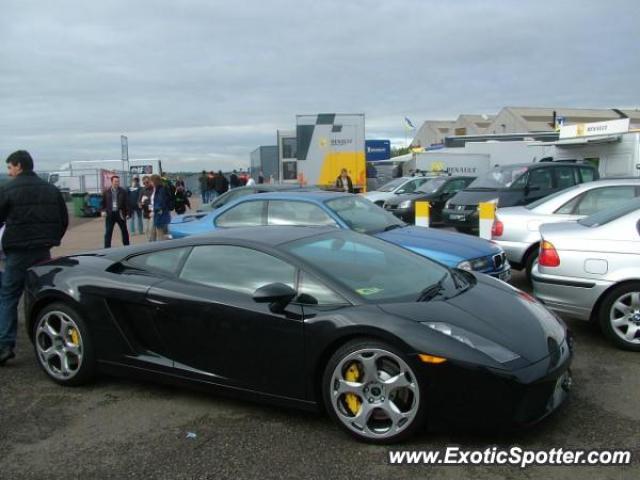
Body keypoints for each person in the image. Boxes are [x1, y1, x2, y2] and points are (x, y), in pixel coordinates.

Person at [0, 150, 68, 365]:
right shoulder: (50, 189)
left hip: (17, 251)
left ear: (19, 166)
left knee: (9, 296)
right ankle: (49, 337)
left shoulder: (7, 189)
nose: (9, 172)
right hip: (43, 250)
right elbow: (63, 219)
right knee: (43, 294)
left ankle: (5, 345)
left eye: (10, 167)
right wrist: (51, 238)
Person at [102, 175, 130, 248]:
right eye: (115, 181)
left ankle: (126, 246)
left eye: (118, 181)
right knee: (108, 232)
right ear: (112, 182)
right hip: (110, 214)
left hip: (120, 213)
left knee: (124, 231)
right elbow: (103, 203)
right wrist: (103, 211)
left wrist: (127, 213)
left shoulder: (123, 191)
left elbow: (127, 203)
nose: (117, 183)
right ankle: (107, 248)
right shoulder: (106, 192)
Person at [149, 174, 172, 241]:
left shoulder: (160, 190)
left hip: (160, 214)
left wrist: (156, 209)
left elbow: (160, 201)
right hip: (159, 214)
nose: (150, 183)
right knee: (157, 233)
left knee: (161, 234)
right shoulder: (158, 189)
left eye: (151, 181)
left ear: (154, 181)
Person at [139, 176, 154, 241]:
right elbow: (139, 200)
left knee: (151, 228)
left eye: (147, 182)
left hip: (152, 212)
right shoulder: (142, 190)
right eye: (144, 183)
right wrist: (140, 204)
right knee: (146, 229)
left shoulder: (154, 189)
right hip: (145, 212)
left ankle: (152, 241)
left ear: (150, 182)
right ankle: (149, 241)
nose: (146, 184)